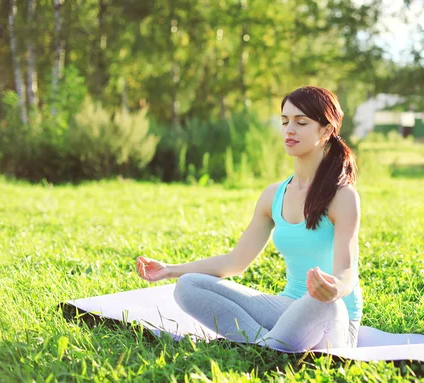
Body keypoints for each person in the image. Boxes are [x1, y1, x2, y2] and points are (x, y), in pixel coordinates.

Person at [136, 86, 363, 351]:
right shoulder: (273, 196)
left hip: (333, 316)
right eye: (285, 121)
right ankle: (263, 344)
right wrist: (170, 270)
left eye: (301, 123)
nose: (289, 129)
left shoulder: (343, 196)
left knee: (323, 303)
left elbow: (347, 272)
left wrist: (335, 288)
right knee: (188, 284)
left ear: (325, 131)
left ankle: (265, 345)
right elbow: (234, 263)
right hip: (285, 309)